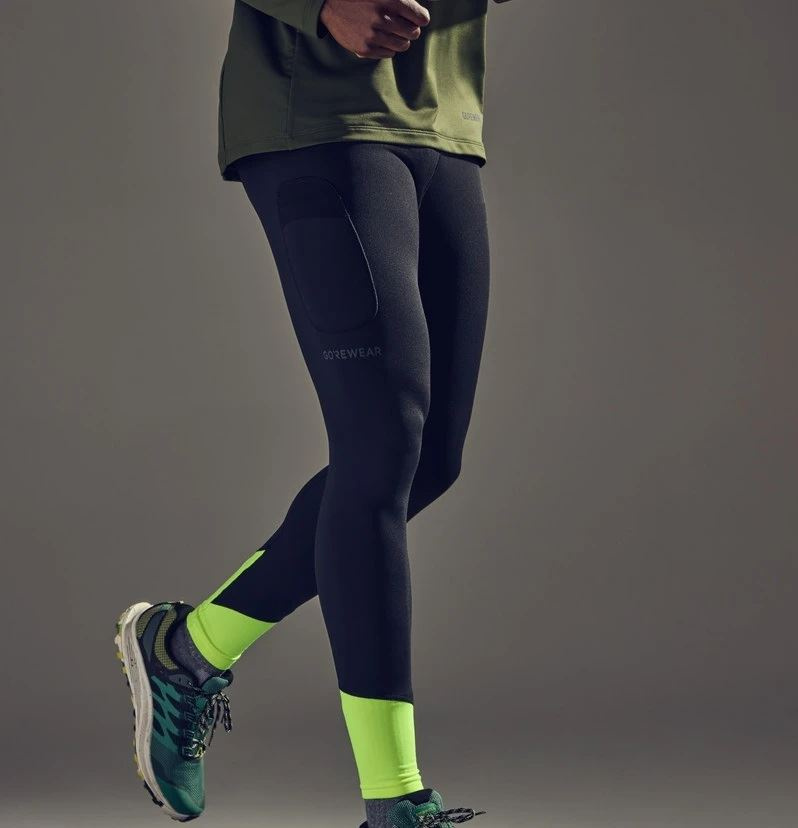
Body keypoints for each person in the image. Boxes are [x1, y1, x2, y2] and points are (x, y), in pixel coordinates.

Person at [114, 1, 512, 825]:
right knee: (379, 447)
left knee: (429, 460)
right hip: (319, 115)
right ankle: (396, 800)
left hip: (441, 120)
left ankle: (186, 652)